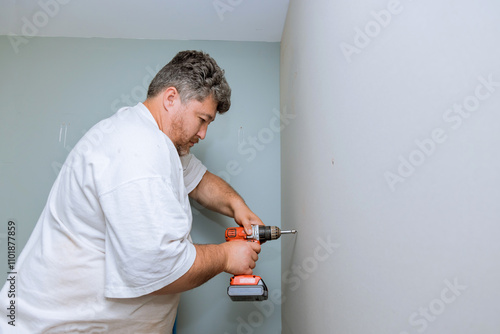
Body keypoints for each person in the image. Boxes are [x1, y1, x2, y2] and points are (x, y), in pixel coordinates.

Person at [0, 50, 263, 333]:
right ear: (171, 98)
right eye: (202, 119)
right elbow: (161, 267)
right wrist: (226, 257)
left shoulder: (160, 143)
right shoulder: (137, 147)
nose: (203, 134)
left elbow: (198, 181)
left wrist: (237, 206)